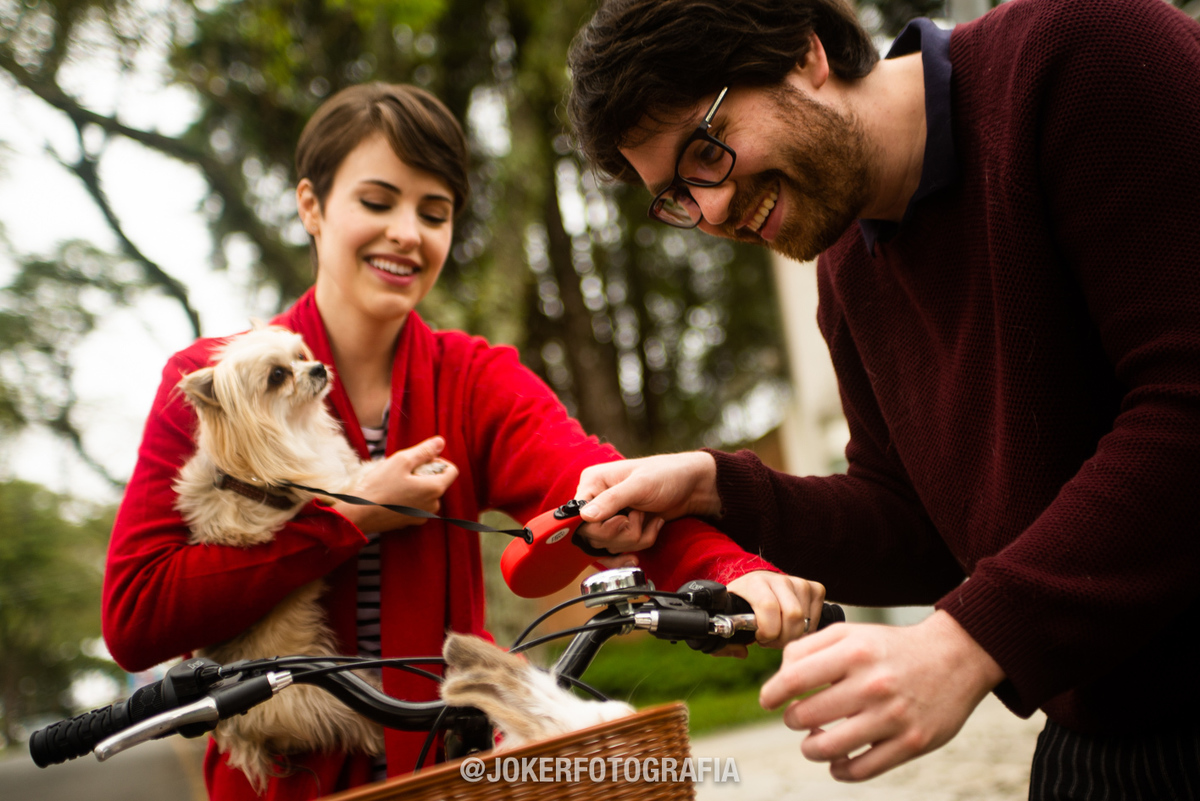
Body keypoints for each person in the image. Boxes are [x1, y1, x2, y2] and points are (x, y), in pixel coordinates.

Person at [101, 83, 826, 801]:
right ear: (312, 206)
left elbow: (604, 490)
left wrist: (729, 570)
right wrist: (348, 518)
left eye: (435, 211)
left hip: (453, 778)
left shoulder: (473, 379)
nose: (408, 233)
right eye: (377, 201)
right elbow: (134, 618)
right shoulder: (212, 385)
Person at [566, 0, 1200, 796]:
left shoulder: (1085, 55)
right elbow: (922, 526)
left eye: (706, 150)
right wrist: (716, 488)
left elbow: (1185, 404)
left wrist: (967, 642)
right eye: (677, 196)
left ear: (803, 52)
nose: (713, 211)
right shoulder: (847, 272)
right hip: (1107, 738)